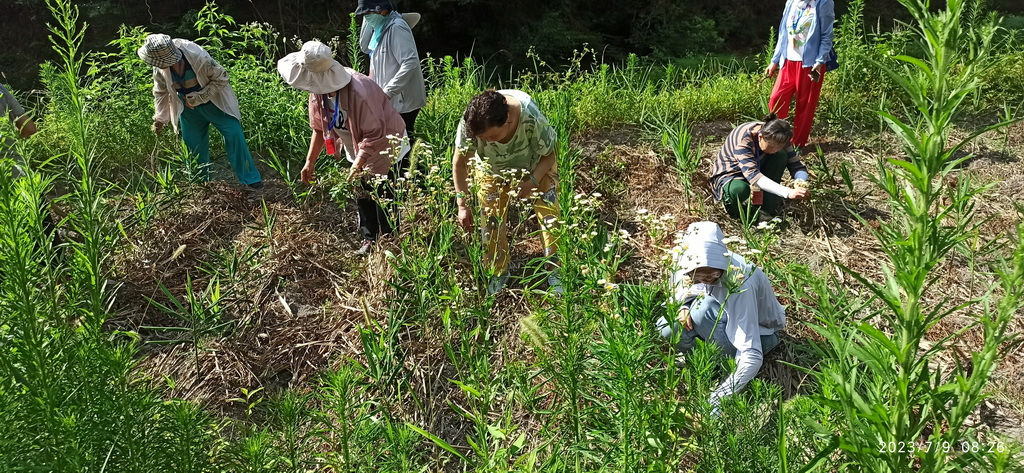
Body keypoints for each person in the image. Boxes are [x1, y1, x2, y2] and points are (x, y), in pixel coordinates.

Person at [277, 41, 409, 255]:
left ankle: (389, 243)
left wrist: (358, 164)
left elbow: (375, 134)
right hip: (356, 145)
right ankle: (369, 239)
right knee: (362, 192)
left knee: (384, 194)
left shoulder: (360, 91)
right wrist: (310, 161)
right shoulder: (318, 92)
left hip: (387, 144)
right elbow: (320, 128)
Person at [656, 221, 786, 410]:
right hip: (717, 327)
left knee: (703, 310)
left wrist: (718, 399)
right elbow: (679, 289)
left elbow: (751, 352)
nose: (706, 279)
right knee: (668, 327)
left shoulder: (741, 281)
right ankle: (705, 362)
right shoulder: (683, 260)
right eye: (698, 276)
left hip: (761, 334)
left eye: (712, 275)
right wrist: (683, 305)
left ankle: (723, 368)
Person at [452, 90, 561, 295]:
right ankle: (498, 271)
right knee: (491, 222)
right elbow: (459, 164)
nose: (488, 142)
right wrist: (462, 204)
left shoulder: (530, 117)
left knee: (550, 216)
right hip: (491, 170)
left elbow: (550, 154)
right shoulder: (472, 122)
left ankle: (555, 269)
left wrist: (532, 181)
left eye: (492, 136)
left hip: (535, 167)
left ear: (508, 120)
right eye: (482, 139)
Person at [139, 34, 263, 188]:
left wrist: (200, 97)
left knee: (234, 135)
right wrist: (160, 119)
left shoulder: (198, 56)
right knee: (193, 145)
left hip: (215, 101)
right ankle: (201, 184)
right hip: (188, 108)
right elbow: (160, 92)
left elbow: (222, 78)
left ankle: (250, 179)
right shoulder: (159, 66)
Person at [709, 115, 810, 219]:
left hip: (759, 165)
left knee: (781, 155)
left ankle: (766, 207)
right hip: (733, 171)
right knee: (738, 190)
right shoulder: (744, 140)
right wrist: (788, 192)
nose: (774, 149)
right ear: (761, 137)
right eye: (771, 146)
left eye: (779, 147)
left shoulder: (781, 136)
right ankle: (741, 214)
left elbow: (796, 166)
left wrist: (800, 182)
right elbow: (754, 177)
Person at [765, 0, 835, 149]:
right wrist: (774, 61)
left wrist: (820, 61)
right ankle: (774, 139)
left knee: (805, 106)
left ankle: (796, 145)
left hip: (810, 64)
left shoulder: (823, 3)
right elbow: (783, 33)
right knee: (776, 100)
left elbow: (826, 35)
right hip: (788, 61)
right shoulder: (791, 2)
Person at [1, 81, 62, 249]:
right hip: (17, 175)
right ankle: (60, 273)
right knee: (46, 243)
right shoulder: (0, 90)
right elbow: (29, 128)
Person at [355, 0, 427, 139]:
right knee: (393, 146)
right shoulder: (379, 28)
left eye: (368, 12)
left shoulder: (397, 28)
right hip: (388, 99)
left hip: (403, 102)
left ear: (382, 10)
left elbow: (410, 63)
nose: (366, 16)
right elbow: (364, 47)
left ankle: (410, 161)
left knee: (402, 147)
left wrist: (387, 92)